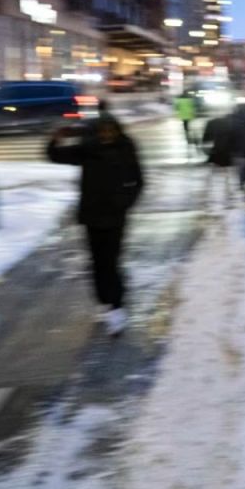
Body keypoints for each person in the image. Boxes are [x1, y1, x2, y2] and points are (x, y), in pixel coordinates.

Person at [47, 114, 144, 336]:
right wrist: (55, 139)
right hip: (91, 215)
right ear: (97, 133)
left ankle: (117, 306)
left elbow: (139, 180)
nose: (107, 135)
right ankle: (103, 301)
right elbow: (55, 156)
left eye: (111, 131)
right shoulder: (87, 149)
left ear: (117, 131)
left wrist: (125, 202)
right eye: (103, 131)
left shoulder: (125, 148)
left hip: (115, 216)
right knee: (97, 262)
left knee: (111, 261)